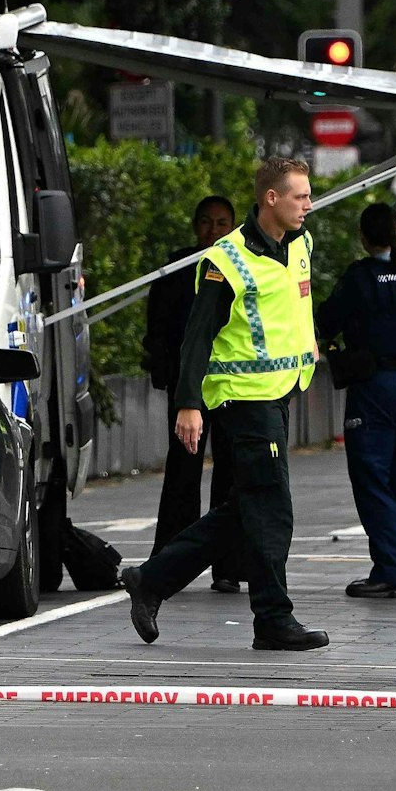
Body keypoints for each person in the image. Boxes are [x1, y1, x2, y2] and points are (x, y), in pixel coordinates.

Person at [121, 157, 329, 651]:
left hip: (279, 393)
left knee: (248, 509)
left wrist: (311, 338)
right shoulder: (226, 259)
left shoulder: (300, 243)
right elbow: (197, 337)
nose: (309, 205)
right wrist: (189, 404)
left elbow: (296, 301)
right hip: (242, 399)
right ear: (271, 199)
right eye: (299, 196)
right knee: (272, 510)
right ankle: (274, 619)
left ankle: (151, 580)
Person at [315, 203, 396, 597]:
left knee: (373, 478)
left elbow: (324, 322)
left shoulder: (361, 277)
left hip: (377, 389)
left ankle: (390, 571)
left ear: (363, 237)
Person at [144, 194, 245, 591]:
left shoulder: (241, 265)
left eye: (222, 223)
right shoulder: (178, 268)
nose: (214, 231)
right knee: (183, 475)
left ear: (234, 227)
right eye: (206, 222)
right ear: (195, 226)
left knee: (231, 472)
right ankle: (172, 564)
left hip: (231, 385)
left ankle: (230, 568)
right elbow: (158, 328)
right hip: (188, 387)